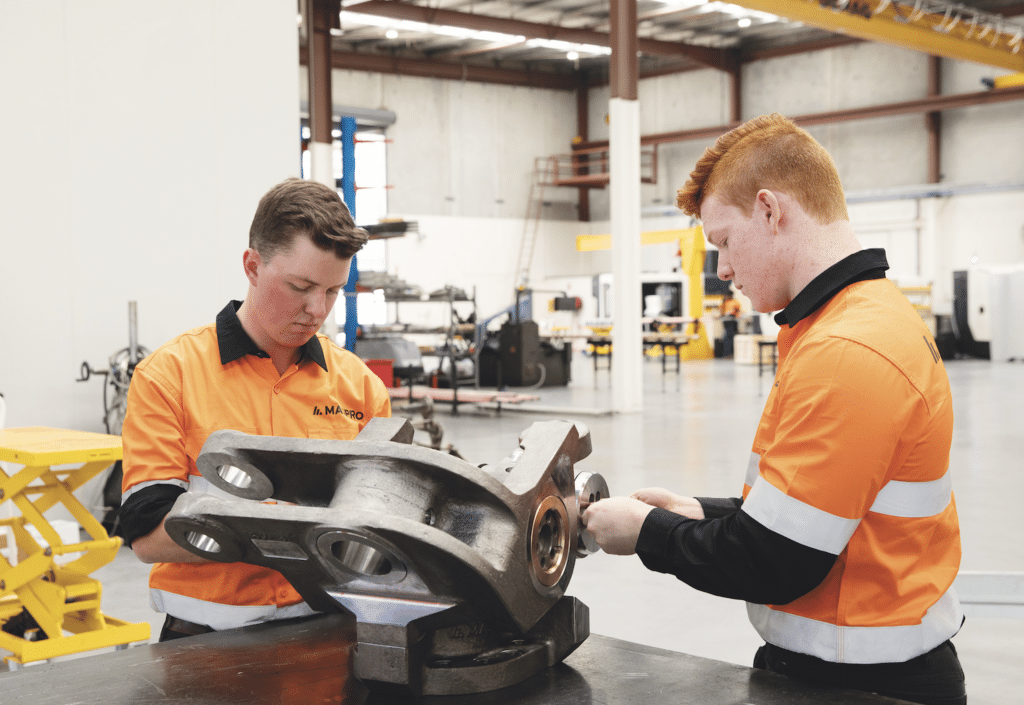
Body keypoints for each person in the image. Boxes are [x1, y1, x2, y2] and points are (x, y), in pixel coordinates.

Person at [582, 114, 965, 705]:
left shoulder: (848, 350)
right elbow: (817, 512)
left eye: (724, 242)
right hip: (867, 663)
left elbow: (776, 561)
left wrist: (649, 535)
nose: (724, 270)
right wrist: (698, 511)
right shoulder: (859, 319)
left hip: (861, 681)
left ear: (769, 210)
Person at [119, 178, 392, 641]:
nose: (316, 309)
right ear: (252, 265)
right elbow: (148, 536)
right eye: (300, 286)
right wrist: (289, 527)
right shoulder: (169, 376)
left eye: (332, 291)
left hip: (329, 632)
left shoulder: (361, 387)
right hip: (203, 642)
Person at [718, 289, 741, 357]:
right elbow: (721, 313)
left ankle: (730, 353)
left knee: (730, 336)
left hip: (732, 321)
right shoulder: (724, 303)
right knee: (728, 336)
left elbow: (737, 311)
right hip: (728, 322)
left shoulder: (732, 302)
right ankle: (727, 353)